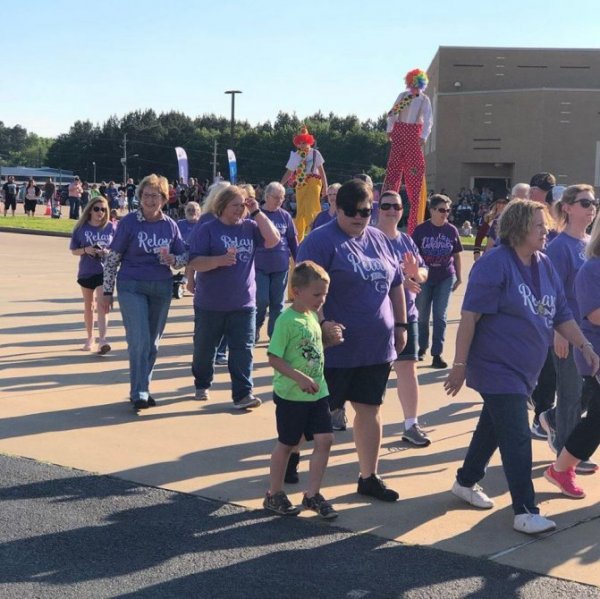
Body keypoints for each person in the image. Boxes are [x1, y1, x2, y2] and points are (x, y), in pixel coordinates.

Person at [444, 199, 598, 534]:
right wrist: (459, 364)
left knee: (493, 426)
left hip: (524, 371)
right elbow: (470, 317)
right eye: (540, 226)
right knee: (516, 436)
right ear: (518, 228)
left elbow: (561, 314)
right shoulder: (494, 264)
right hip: (495, 367)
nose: (547, 231)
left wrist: (585, 346)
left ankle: (466, 480)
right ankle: (525, 510)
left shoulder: (544, 263)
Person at [297, 179, 407, 502]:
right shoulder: (319, 242)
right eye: (352, 212)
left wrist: (401, 324)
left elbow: (396, 284)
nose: (360, 218)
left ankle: (368, 476)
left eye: (366, 211)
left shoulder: (379, 239)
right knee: (313, 413)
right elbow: (300, 292)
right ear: (337, 209)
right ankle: (289, 456)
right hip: (334, 349)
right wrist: (321, 323)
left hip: (375, 346)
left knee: (370, 409)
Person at [99, 174, 187, 411]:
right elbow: (113, 258)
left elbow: (183, 257)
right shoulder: (129, 223)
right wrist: (106, 292)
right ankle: (139, 391)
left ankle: (142, 387)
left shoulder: (170, 224)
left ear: (164, 198)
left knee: (152, 343)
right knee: (139, 340)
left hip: (161, 287)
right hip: (132, 285)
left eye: (155, 195)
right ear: (139, 197)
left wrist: (174, 259)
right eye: (146, 195)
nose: (150, 200)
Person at [188, 185, 280, 410]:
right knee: (204, 349)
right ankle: (202, 383)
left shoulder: (250, 227)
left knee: (243, 349)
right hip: (210, 303)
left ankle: (243, 394)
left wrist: (257, 212)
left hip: (244, 302)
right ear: (221, 206)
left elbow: (274, 240)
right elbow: (194, 261)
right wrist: (218, 261)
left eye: (243, 205)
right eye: (235, 205)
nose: (240, 209)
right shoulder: (208, 229)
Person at [263, 261, 343, 518]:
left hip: (317, 392)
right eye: (317, 294)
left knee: (325, 440)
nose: (321, 300)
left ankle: (312, 495)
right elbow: (274, 358)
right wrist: (298, 378)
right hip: (292, 395)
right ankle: (274, 494)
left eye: (325, 295)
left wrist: (329, 341)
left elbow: (310, 352)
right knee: (287, 444)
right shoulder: (286, 321)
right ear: (297, 292)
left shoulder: (311, 317)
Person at [539, 184, 599, 473]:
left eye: (593, 203)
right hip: (571, 331)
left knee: (586, 393)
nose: (591, 208)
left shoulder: (589, 243)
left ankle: (553, 417)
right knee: (572, 392)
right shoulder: (559, 247)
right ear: (567, 207)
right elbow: (552, 292)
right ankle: (566, 452)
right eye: (585, 202)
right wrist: (557, 332)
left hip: (588, 334)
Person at [376, 191, 431, 446]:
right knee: (371, 372)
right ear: (377, 208)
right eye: (386, 205)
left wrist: (415, 275)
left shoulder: (407, 241)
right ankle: (343, 410)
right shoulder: (369, 239)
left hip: (407, 315)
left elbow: (422, 271)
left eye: (396, 206)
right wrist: (399, 281)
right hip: (376, 317)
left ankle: (411, 424)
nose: (391, 210)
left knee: (408, 369)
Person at [412, 194, 463, 368]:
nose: (445, 214)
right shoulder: (421, 230)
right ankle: (422, 348)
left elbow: (456, 255)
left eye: (448, 210)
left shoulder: (451, 230)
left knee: (440, 316)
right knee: (422, 316)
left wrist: (459, 276)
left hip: (445, 277)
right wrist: (413, 276)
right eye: (441, 210)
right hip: (424, 277)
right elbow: (413, 256)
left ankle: (437, 353)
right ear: (432, 210)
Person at [382, 68, 433, 234]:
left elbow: (428, 120)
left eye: (416, 85)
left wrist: (423, 136)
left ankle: (414, 227)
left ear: (421, 85)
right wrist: (390, 129)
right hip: (399, 134)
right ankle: (385, 212)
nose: (414, 88)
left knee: (415, 177)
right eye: (412, 84)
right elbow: (392, 114)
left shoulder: (424, 100)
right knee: (393, 174)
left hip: (413, 136)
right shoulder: (403, 96)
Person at [69, 195, 115, 353]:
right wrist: (86, 250)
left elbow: (117, 249)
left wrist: (106, 252)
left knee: (103, 304)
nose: (100, 212)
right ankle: (90, 337)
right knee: (89, 306)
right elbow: (74, 251)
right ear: (90, 210)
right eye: (96, 209)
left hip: (104, 271)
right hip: (86, 270)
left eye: (103, 209)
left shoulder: (110, 227)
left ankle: (103, 340)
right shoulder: (81, 228)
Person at [255, 182, 298, 341]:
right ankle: (255, 327)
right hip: (260, 266)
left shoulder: (285, 216)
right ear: (266, 197)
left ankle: (274, 336)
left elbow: (293, 240)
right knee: (261, 300)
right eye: (276, 198)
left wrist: (298, 260)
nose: (280, 201)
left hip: (281, 266)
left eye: (282, 198)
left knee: (277, 304)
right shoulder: (257, 214)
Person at [281, 125, 328, 242]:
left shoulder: (315, 153)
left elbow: (322, 171)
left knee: (312, 208)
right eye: (300, 143)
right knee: (301, 211)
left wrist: (325, 187)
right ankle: (298, 240)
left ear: (309, 142)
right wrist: (280, 184)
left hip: (314, 181)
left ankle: (315, 235)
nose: (302, 145)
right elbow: (289, 172)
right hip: (300, 184)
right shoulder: (295, 156)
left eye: (305, 142)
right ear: (297, 144)